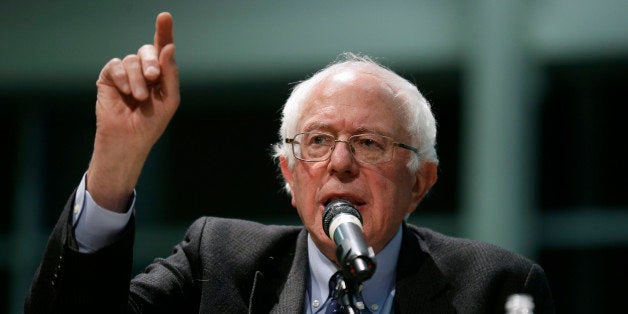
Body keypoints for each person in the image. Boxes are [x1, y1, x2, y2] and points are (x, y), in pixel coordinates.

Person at [25, 12, 554, 313]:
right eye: (319, 141)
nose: (340, 163)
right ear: (290, 174)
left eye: (369, 144)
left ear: (421, 183)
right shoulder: (219, 264)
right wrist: (115, 163)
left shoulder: (495, 288)